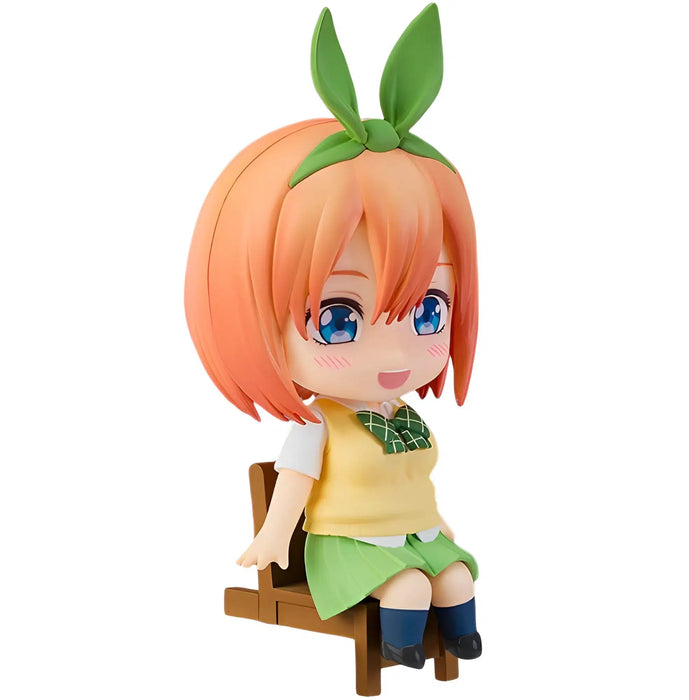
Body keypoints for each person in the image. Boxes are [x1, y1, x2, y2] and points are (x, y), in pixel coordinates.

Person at [184, 4, 482, 669]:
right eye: (339, 319)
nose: (396, 352)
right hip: (350, 545)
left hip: (415, 533)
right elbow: (294, 484)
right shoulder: (319, 424)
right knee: (409, 587)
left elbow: (417, 485)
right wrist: (273, 538)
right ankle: (401, 646)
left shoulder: (403, 414)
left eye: (428, 312)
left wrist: (440, 528)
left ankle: (461, 635)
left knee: (457, 576)